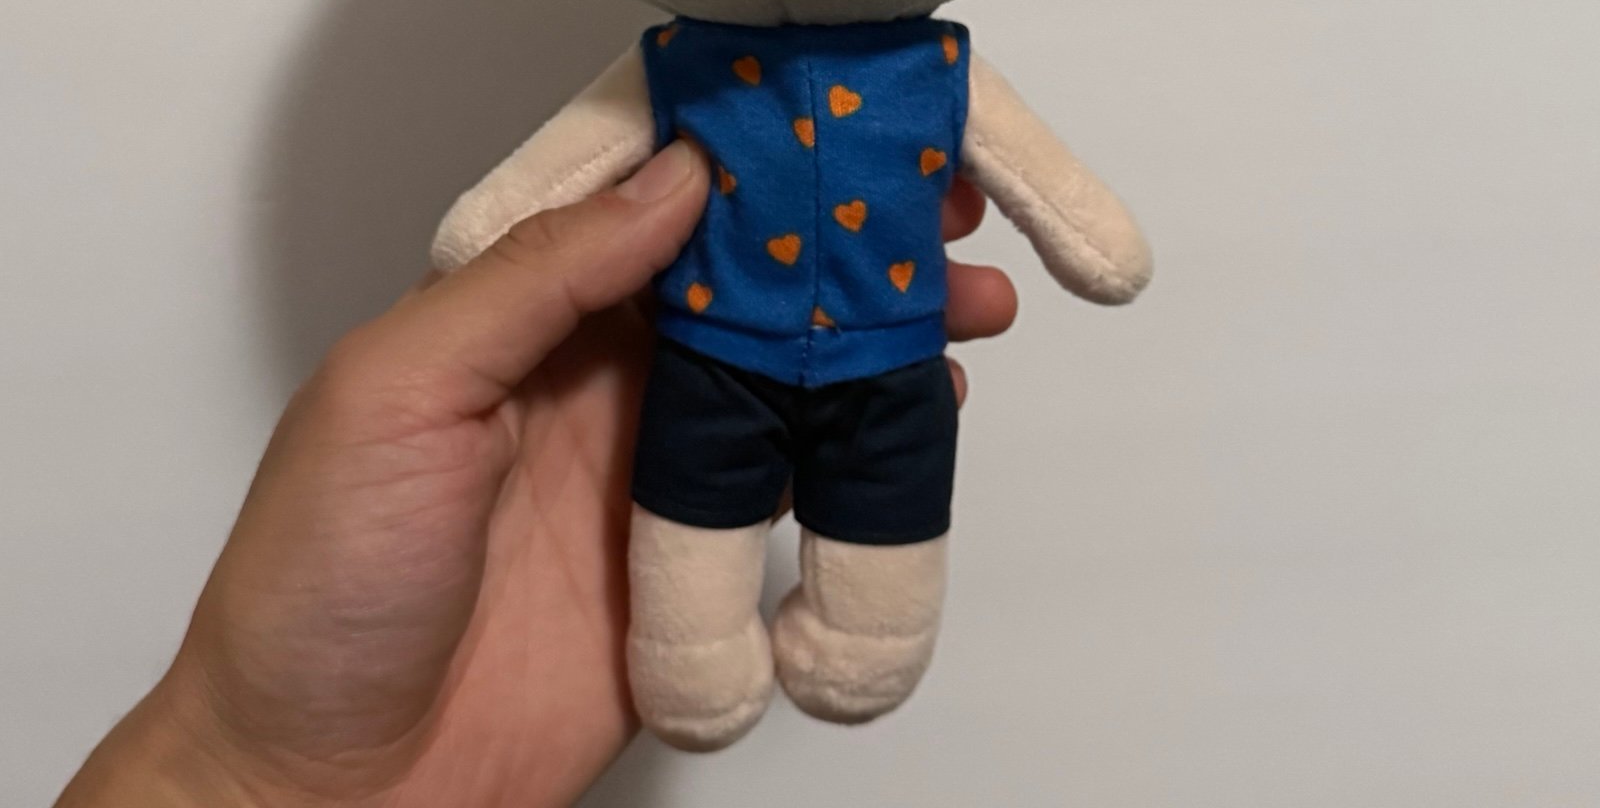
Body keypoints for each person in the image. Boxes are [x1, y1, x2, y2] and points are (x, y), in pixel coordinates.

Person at [56, 139, 1017, 807]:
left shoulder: (929, 67)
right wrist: (252, 774)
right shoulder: (690, 63)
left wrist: (245, 777)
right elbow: (551, 174)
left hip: (869, 359)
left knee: (871, 501)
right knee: (702, 502)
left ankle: (858, 640)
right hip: (711, 363)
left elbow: (1043, 183)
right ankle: (700, 657)